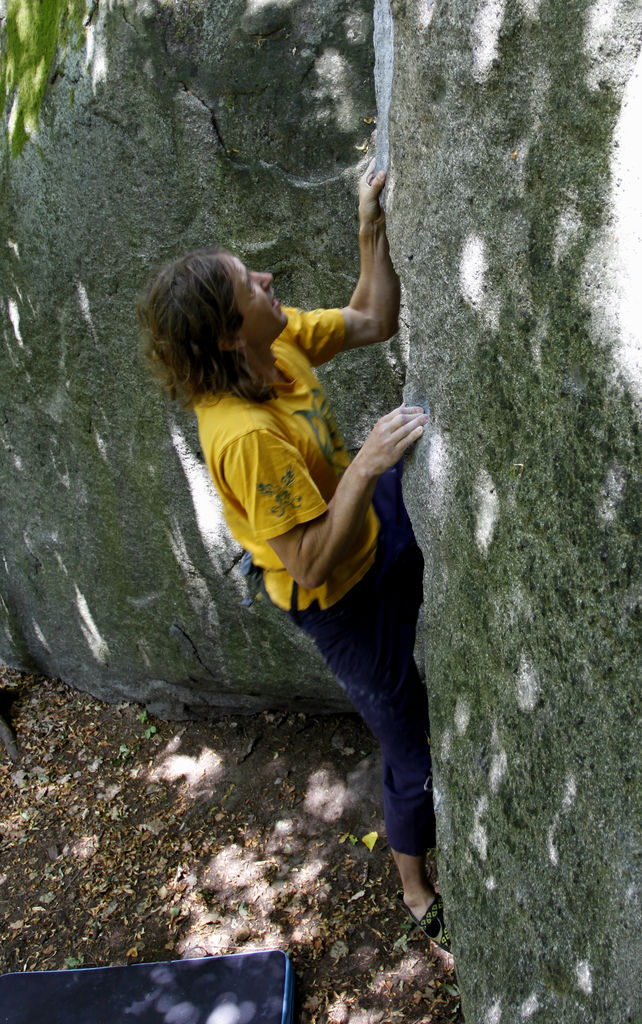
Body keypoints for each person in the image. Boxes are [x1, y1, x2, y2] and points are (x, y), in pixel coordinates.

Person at [138, 158, 450, 953]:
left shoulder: (274, 351)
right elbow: (308, 561)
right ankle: (417, 890)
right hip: (337, 600)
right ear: (225, 332)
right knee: (410, 746)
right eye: (252, 282)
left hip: (366, 522)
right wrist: (371, 466)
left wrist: (370, 229)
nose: (269, 279)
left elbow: (372, 319)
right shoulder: (241, 437)